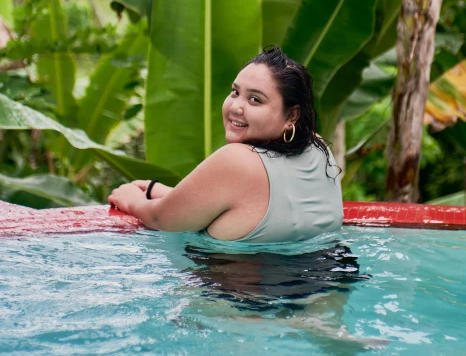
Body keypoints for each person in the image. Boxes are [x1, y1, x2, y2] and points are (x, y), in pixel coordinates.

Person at [108, 46, 343, 242]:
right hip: (330, 289)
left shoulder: (238, 159)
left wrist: (132, 200)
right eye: (234, 92)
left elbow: (160, 220)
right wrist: (158, 190)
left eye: (255, 99)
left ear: (291, 115)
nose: (235, 107)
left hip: (243, 295)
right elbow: (257, 208)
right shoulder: (317, 148)